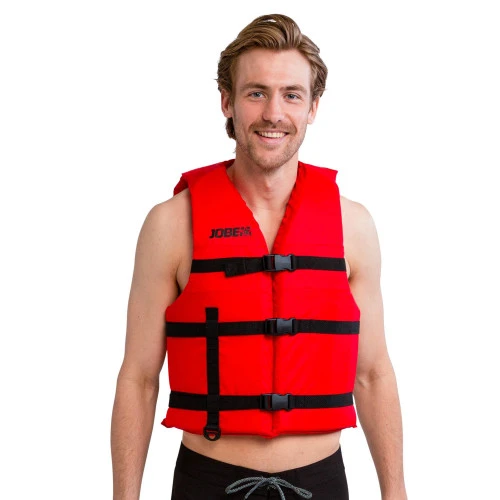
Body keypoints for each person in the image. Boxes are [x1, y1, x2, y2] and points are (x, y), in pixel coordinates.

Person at [111, 13, 407, 500]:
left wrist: (396, 494)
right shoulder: (170, 225)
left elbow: (373, 374)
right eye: (256, 93)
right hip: (208, 483)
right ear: (227, 101)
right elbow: (139, 378)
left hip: (321, 483)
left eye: (291, 94)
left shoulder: (353, 226)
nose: (274, 113)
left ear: (313, 107)